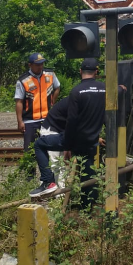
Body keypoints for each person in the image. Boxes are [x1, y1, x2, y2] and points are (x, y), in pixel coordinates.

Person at [29, 58, 106, 206]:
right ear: (96, 72)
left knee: (39, 145)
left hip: (74, 138)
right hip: (88, 139)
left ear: (80, 72)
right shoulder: (104, 89)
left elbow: (71, 122)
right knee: (87, 171)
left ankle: (48, 181)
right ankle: (88, 206)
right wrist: (122, 87)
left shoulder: (76, 91)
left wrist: (67, 146)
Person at [14, 53, 61, 162]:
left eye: (42, 64)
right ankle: (30, 178)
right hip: (30, 121)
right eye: (37, 65)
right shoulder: (23, 80)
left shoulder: (50, 74)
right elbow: (19, 101)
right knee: (30, 152)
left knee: (51, 150)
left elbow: (57, 87)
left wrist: (53, 100)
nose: (40, 67)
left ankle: (50, 177)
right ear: (30, 65)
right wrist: (20, 121)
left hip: (47, 119)